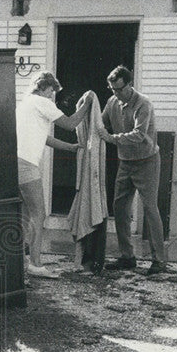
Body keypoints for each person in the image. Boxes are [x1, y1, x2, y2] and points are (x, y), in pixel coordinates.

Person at [96, 65, 168, 276]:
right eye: (112, 90)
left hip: (147, 161)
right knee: (119, 208)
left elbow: (138, 134)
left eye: (119, 89)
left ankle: (159, 260)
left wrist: (112, 138)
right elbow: (101, 123)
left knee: (150, 209)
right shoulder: (112, 102)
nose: (116, 94)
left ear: (129, 85)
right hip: (125, 162)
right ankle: (127, 257)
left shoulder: (143, 104)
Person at [16, 71, 88, 278]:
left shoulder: (25, 103)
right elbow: (71, 123)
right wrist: (88, 102)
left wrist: (70, 147)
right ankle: (36, 264)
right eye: (52, 92)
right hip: (27, 165)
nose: (52, 96)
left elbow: (44, 138)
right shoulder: (42, 101)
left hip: (12, 163)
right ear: (45, 88)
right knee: (40, 213)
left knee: (24, 214)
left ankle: (20, 262)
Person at [66, 90, 108, 274]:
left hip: (92, 171)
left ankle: (85, 261)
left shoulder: (93, 145)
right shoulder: (86, 145)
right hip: (88, 169)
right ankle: (83, 260)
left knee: (91, 207)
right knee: (87, 208)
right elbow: (69, 123)